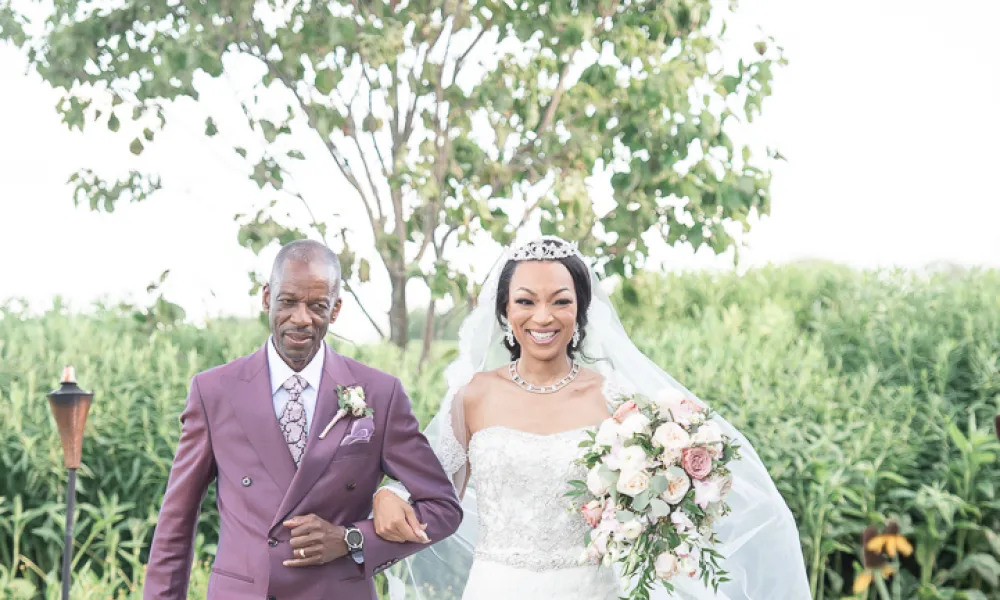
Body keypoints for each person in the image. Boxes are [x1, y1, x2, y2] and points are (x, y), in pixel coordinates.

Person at [371, 236, 812, 599]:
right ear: (505, 311)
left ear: (579, 310)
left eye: (560, 301)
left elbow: (668, 498)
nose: (542, 316)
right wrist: (389, 496)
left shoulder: (618, 402)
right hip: (497, 586)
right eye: (525, 301)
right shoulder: (472, 396)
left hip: (591, 587)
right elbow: (423, 484)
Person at [143, 240, 462, 600]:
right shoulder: (214, 391)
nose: (301, 318)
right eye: (288, 302)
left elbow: (443, 509)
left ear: (336, 309)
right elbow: (175, 523)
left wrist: (351, 539)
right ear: (267, 298)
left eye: (317, 306)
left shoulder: (379, 394)